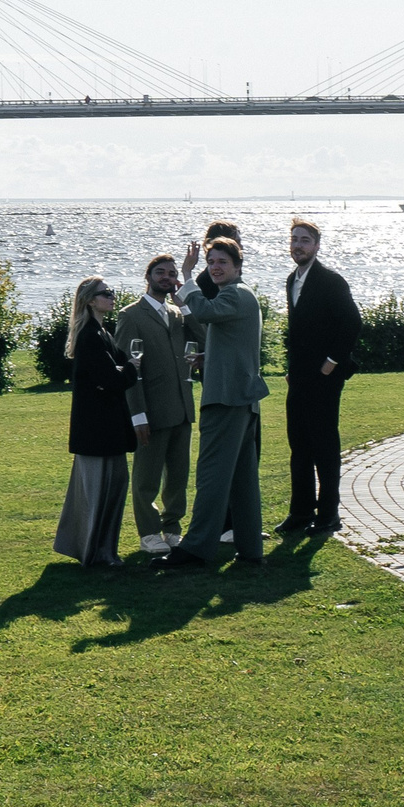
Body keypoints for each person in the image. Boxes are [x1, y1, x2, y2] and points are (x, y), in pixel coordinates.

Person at [157, 237, 266, 569]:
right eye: (211, 262)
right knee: (241, 480)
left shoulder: (236, 294)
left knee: (211, 475)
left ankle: (196, 549)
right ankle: (250, 551)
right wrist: (210, 355)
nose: (215, 268)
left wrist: (188, 275)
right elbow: (232, 338)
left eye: (222, 262)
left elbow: (203, 311)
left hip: (227, 399)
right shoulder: (240, 296)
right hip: (242, 400)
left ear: (237, 266)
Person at [116, 253, 201, 555]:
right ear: (148, 276)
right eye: (160, 272)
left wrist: (185, 303)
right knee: (146, 478)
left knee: (178, 477)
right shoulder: (131, 315)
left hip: (181, 408)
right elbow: (129, 369)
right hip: (151, 410)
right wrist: (137, 414)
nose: (166, 277)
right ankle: (149, 532)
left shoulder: (177, 314)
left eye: (171, 273)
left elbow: (202, 337)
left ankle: (172, 528)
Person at [54, 275, 142, 567]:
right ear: (91, 299)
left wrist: (120, 370)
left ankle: (102, 550)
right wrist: (128, 368)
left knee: (111, 488)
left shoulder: (102, 332)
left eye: (112, 292)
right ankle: (96, 553)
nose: (112, 297)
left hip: (105, 428)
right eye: (106, 293)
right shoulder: (91, 336)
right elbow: (112, 378)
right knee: (98, 493)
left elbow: (113, 375)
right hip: (97, 431)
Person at [280, 217, 360, 535]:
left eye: (304, 240)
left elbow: (352, 323)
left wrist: (332, 361)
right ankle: (300, 511)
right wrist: (292, 367)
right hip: (299, 375)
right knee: (298, 444)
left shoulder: (331, 280)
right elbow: (297, 330)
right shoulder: (292, 280)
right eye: (294, 239)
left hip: (325, 377)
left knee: (324, 445)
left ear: (316, 245)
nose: (297, 245)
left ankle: (328, 514)